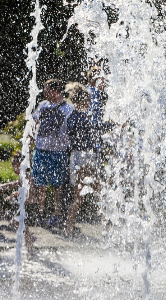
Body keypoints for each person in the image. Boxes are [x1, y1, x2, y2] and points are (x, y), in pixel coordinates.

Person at [64, 84, 115, 236]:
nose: (90, 103)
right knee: (98, 191)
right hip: (84, 158)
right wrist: (113, 125)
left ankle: (69, 228)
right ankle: (108, 227)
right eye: (88, 100)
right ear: (83, 101)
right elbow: (96, 128)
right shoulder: (79, 117)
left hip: (79, 157)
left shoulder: (74, 116)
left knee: (80, 196)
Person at [32, 79, 74, 227]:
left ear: (56, 91)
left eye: (47, 90)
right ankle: (39, 213)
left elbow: (72, 130)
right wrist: (31, 138)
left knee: (58, 185)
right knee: (39, 183)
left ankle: (57, 214)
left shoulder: (68, 108)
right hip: (41, 150)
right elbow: (34, 123)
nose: (44, 93)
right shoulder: (43, 105)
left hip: (58, 152)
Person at [0, 152, 37, 255]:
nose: (14, 169)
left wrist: (4, 185)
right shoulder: (24, 176)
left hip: (30, 207)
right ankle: (30, 243)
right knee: (21, 225)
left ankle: (30, 243)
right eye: (13, 166)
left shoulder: (26, 176)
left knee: (17, 223)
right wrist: (13, 194)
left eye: (15, 166)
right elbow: (22, 190)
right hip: (27, 206)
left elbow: (17, 184)